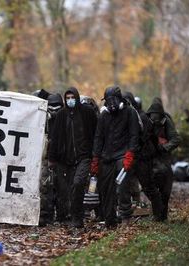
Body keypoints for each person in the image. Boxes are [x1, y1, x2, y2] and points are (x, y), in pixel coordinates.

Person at [91, 86, 140, 228]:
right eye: (108, 100)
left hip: (123, 155)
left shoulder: (130, 112)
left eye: (114, 100)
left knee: (122, 187)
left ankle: (125, 216)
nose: (111, 103)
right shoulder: (104, 116)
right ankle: (110, 219)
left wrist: (130, 154)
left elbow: (134, 135)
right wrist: (95, 158)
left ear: (120, 99)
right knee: (105, 188)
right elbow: (98, 138)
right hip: (106, 156)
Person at [48, 87, 97, 228]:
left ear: (76, 97)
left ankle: (77, 216)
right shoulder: (61, 115)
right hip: (66, 159)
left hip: (84, 157)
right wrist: (52, 158)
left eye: (72, 97)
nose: (70, 100)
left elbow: (96, 134)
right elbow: (55, 138)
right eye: (67, 98)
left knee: (78, 183)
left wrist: (96, 155)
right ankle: (76, 216)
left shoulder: (87, 113)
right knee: (70, 189)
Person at [146, 98, 181, 221]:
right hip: (150, 158)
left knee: (165, 188)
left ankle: (162, 215)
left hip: (163, 157)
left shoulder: (167, 122)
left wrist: (164, 147)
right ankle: (157, 213)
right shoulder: (145, 120)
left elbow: (176, 139)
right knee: (151, 187)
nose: (155, 119)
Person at [39, 92, 64, 226]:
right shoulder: (43, 119)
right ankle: (45, 216)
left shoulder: (66, 119)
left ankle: (62, 215)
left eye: (57, 107)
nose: (54, 110)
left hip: (62, 159)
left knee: (62, 188)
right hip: (46, 158)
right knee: (45, 187)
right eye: (52, 107)